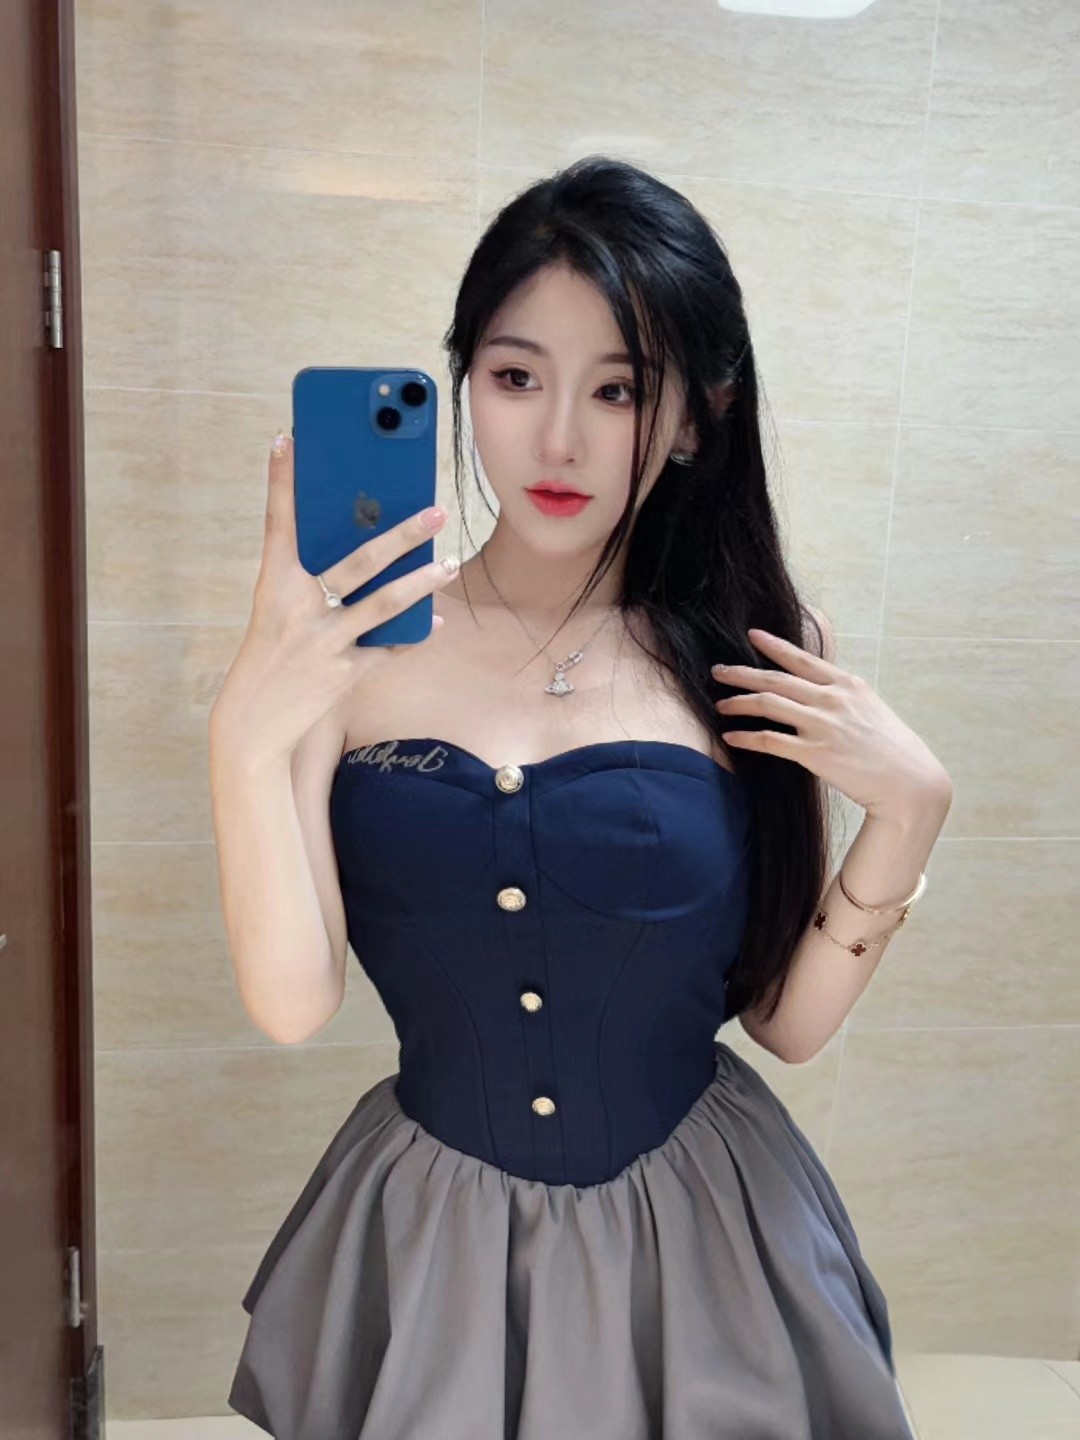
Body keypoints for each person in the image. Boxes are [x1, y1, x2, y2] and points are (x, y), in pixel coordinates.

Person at [210, 155, 952, 1439]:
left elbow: (784, 1024)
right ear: (463, 386)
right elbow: (292, 1002)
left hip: (705, 1242)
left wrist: (911, 812)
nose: (559, 440)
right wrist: (241, 736)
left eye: (619, 389)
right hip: (438, 1243)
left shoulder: (757, 652)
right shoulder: (346, 656)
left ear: (695, 419)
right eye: (516, 378)